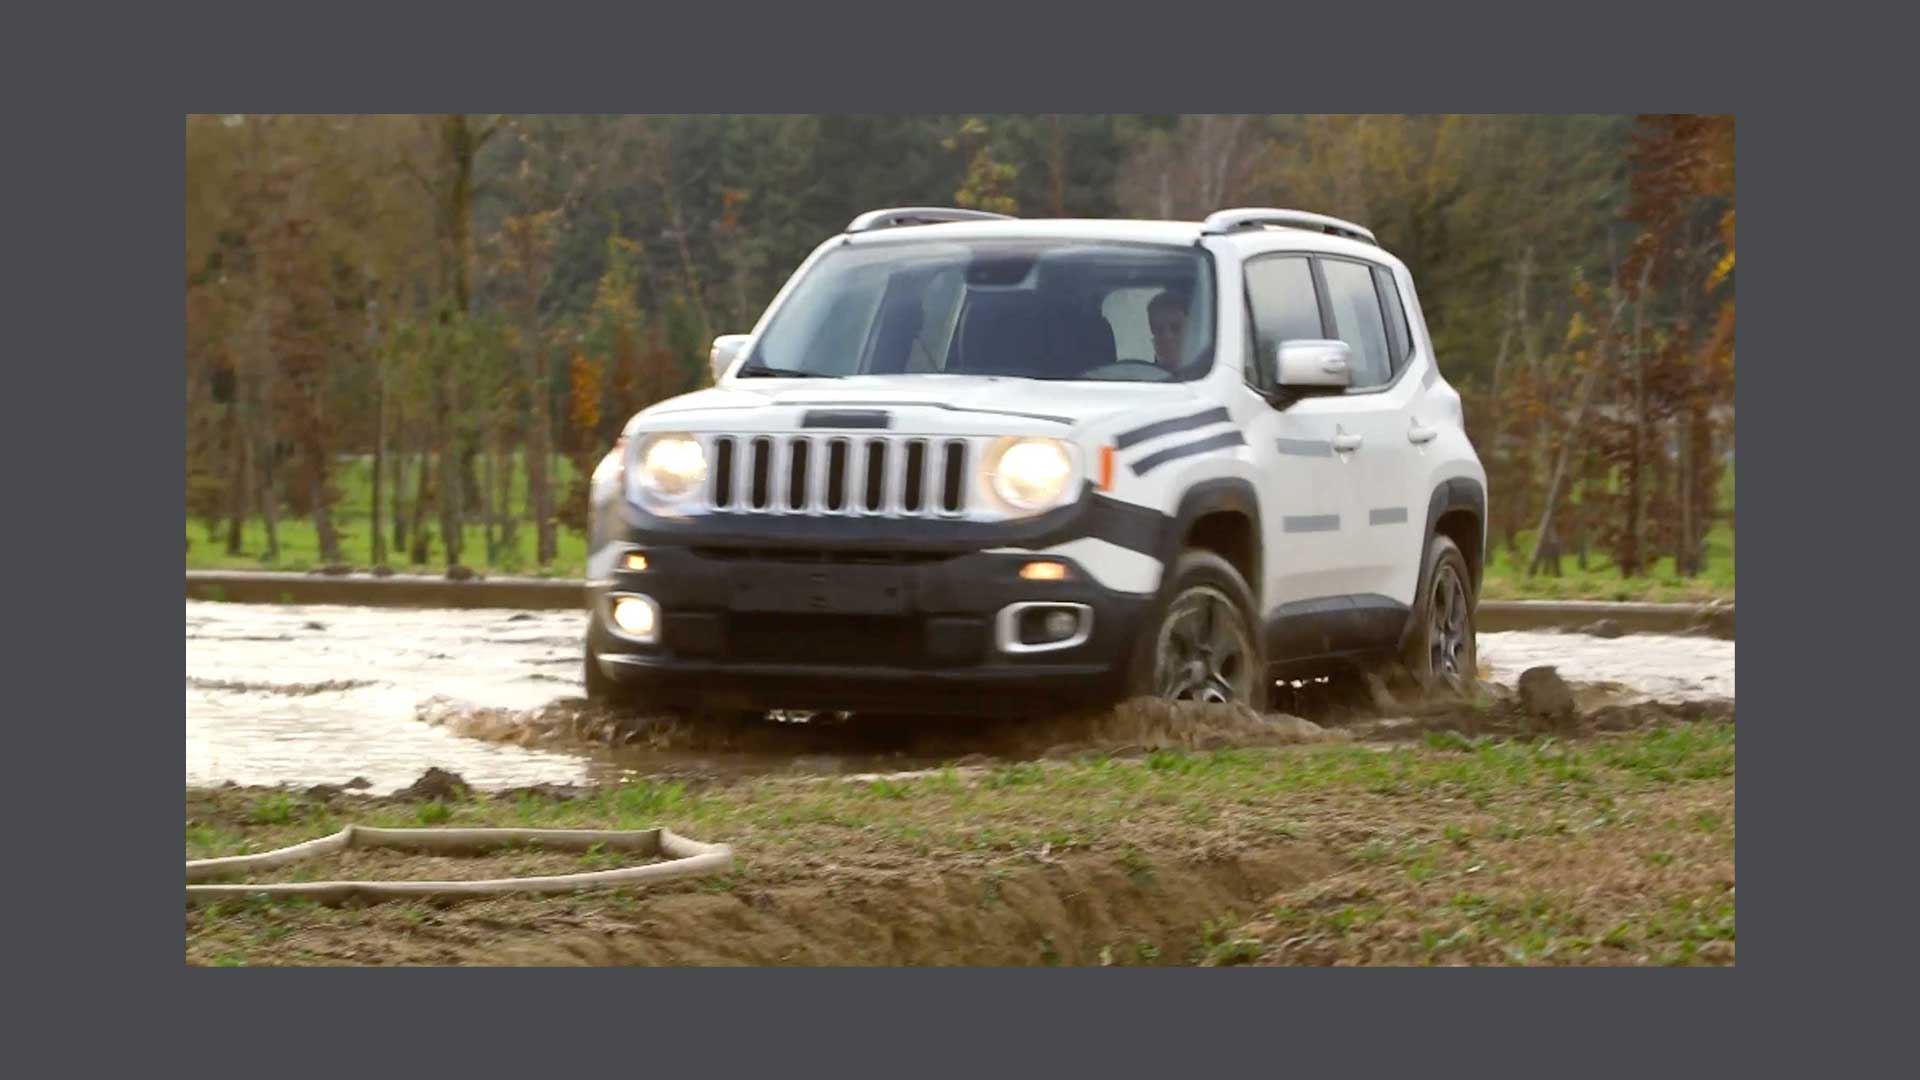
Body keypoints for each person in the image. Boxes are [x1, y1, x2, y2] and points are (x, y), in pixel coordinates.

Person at [1148, 289, 1191, 374]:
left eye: (1176, 328)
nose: (1167, 337)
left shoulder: (1208, 378)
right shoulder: (1143, 379)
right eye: (1159, 329)